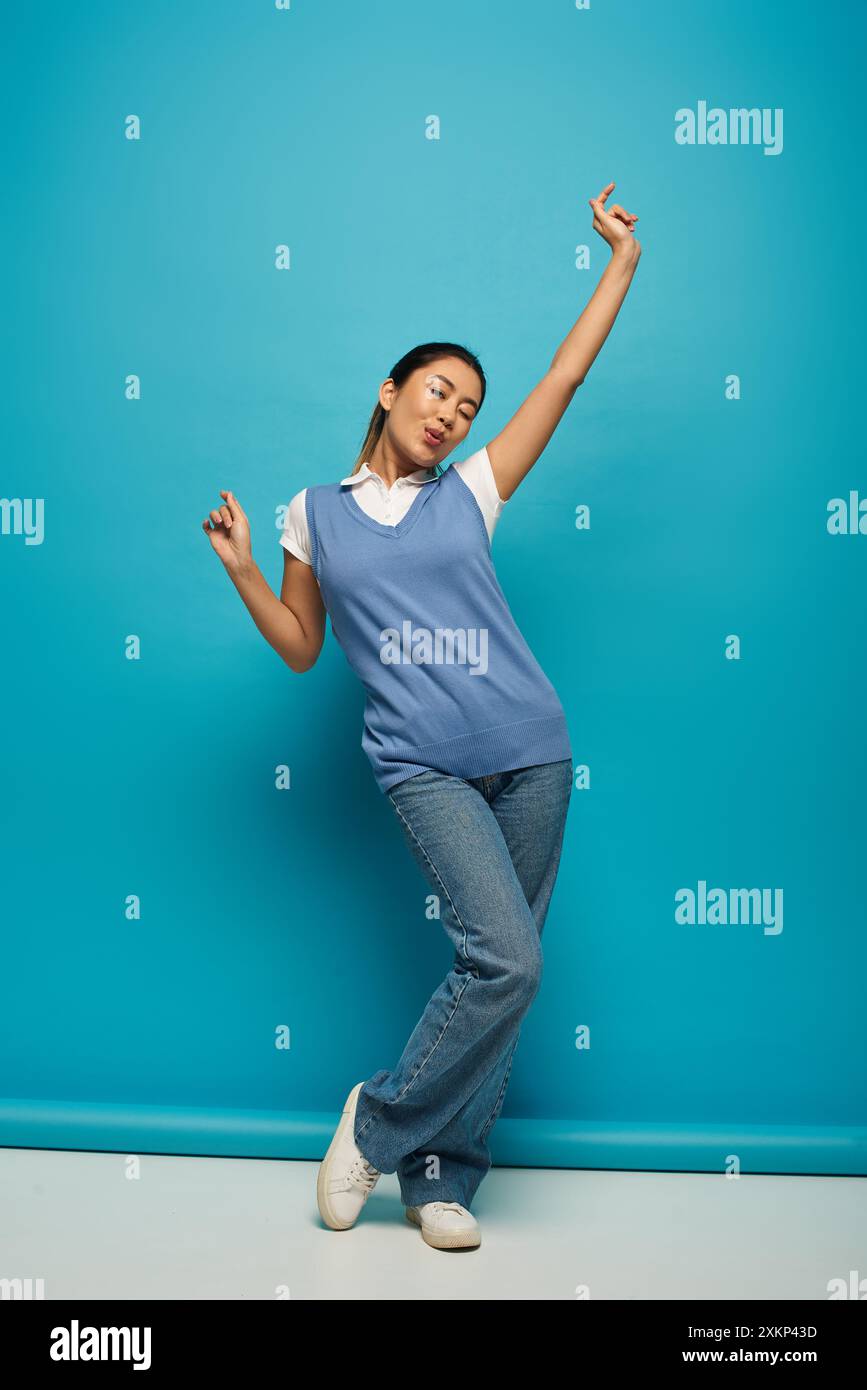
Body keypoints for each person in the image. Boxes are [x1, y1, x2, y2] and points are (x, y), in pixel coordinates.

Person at [202, 181, 641, 1251]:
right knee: (509, 961)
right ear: (390, 389)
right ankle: (380, 1120)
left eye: (466, 406)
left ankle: (442, 1177)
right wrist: (248, 575)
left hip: (532, 750)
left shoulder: (472, 492)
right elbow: (306, 649)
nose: (452, 412)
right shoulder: (316, 511)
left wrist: (620, 263)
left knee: (506, 977)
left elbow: (567, 377)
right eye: (437, 391)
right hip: (422, 766)